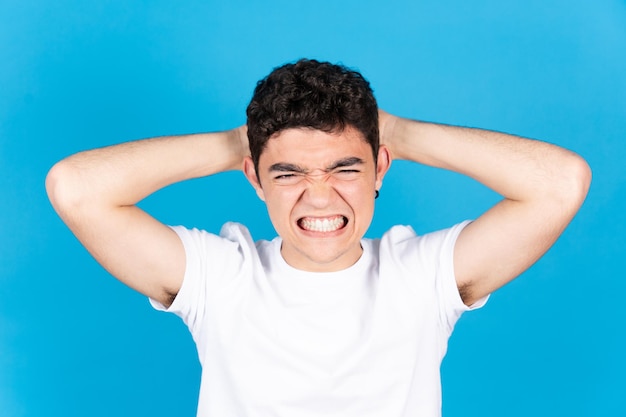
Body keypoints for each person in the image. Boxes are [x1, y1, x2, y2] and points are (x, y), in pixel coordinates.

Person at [46, 59, 591, 417]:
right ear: (254, 179)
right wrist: (242, 142)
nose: (321, 196)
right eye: (288, 173)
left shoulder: (421, 276)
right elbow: (75, 189)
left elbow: (560, 184)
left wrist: (395, 132)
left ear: (380, 169)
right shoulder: (220, 276)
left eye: (344, 169)